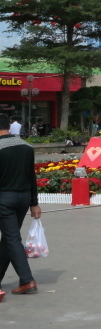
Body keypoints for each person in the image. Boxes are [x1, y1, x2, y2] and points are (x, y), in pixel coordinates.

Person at [0, 113, 41, 300]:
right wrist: (34, 203)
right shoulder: (26, 147)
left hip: (4, 199)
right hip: (24, 198)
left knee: (11, 238)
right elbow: (32, 176)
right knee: (9, 238)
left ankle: (26, 280)